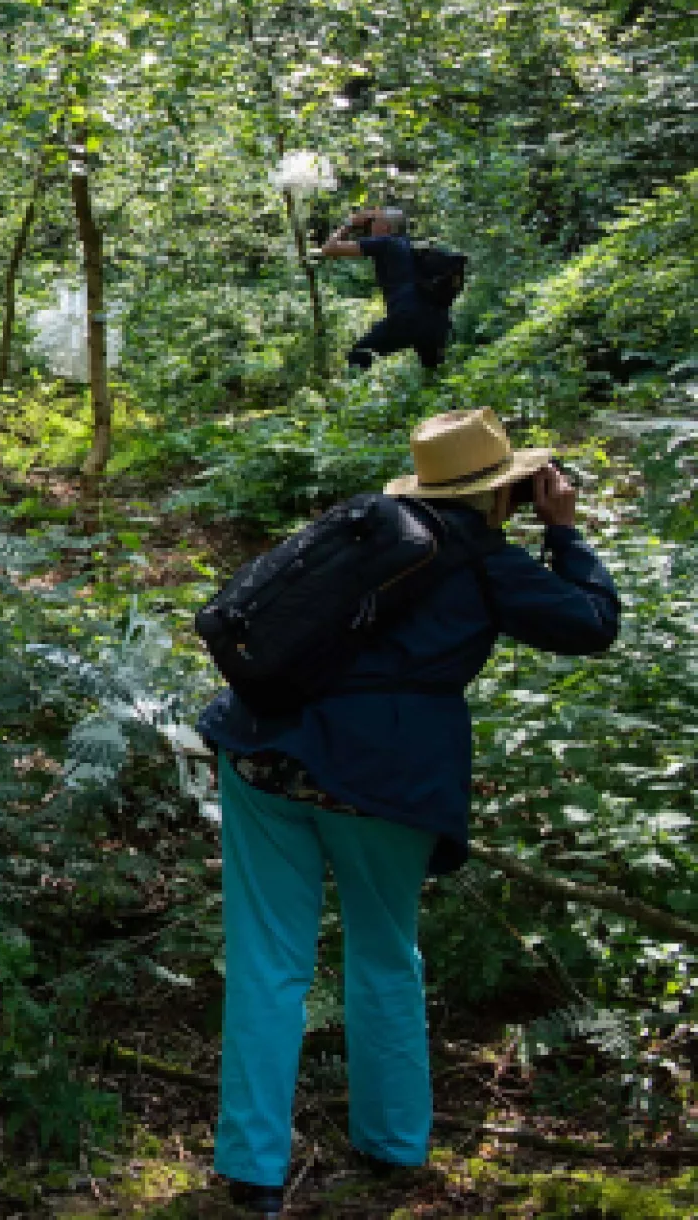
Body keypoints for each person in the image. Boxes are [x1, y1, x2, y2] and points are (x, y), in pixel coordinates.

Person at [198, 408, 621, 1216]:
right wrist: (563, 531)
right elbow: (593, 623)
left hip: (260, 750)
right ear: (505, 492)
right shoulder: (490, 563)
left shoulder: (364, 528)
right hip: (382, 776)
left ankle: (252, 1174)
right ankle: (391, 1147)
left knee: (266, 964)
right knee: (385, 955)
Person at [320, 207, 450, 372]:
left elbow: (328, 248)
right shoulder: (409, 245)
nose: (370, 226)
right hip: (436, 317)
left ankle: (351, 396)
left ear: (386, 227)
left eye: (374, 221)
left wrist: (350, 223)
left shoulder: (386, 242)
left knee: (359, 356)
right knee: (434, 374)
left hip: (407, 316)